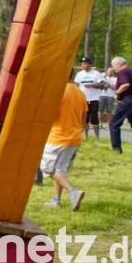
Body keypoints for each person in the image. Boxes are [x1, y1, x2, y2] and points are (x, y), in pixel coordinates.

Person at [41, 78, 88, 211]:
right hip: (74, 138)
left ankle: (73, 192)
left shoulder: (58, 92)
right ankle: (56, 200)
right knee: (60, 170)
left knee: (49, 169)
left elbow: (50, 115)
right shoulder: (80, 92)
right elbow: (84, 116)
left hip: (57, 137)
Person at [109, 56, 132, 157]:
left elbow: (125, 85)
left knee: (114, 123)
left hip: (129, 100)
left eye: (113, 65)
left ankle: (116, 149)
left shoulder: (123, 72)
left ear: (118, 64)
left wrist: (117, 92)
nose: (113, 68)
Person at [74, 56, 106, 139]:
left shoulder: (96, 74)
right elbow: (76, 85)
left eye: (85, 63)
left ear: (89, 64)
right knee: (85, 118)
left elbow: (103, 85)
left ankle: (97, 137)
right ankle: (86, 136)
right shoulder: (79, 74)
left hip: (93, 99)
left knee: (94, 118)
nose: (83, 65)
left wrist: (93, 85)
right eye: (82, 63)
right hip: (83, 99)